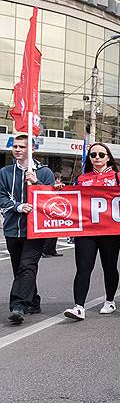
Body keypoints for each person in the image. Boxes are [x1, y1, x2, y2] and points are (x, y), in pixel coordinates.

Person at [58, 142, 120, 321]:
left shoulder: (119, 177)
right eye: (93, 155)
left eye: (101, 155)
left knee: (109, 267)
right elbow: (71, 200)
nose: (97, 158)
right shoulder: (81, 178)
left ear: (108, 157)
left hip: (110, 231)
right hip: (86, 230)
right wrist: (59, 190)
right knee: (83, 268)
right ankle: (78, 306)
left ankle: (110, 301)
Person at [0, 134, 55, 324]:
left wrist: (37, 183)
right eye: (15, 146)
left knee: (27, 266)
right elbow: (1, 197)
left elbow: (52, 200)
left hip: (36, 229)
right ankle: (33, 300)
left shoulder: (45, 172)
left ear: (32, 149)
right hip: (12, 228)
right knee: (19, 269)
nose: (17, 150)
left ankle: (18, 306)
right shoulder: (5, 172)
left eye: (22, 147)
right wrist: (18, 207)